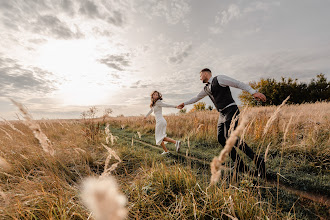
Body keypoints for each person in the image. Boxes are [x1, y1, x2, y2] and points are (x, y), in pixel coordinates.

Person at [177, 68, 266, 178]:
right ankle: (240, 164)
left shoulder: (219, 79)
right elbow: (196, 98)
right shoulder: (206, 88)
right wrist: (184, 103)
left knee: (230, 136)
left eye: (200, 75)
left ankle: (259, 161)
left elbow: (237, 83)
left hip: (231, 110)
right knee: (221, 138)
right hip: (222, 114)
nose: (200, 78)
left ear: (205, 74)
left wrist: (253, 92)